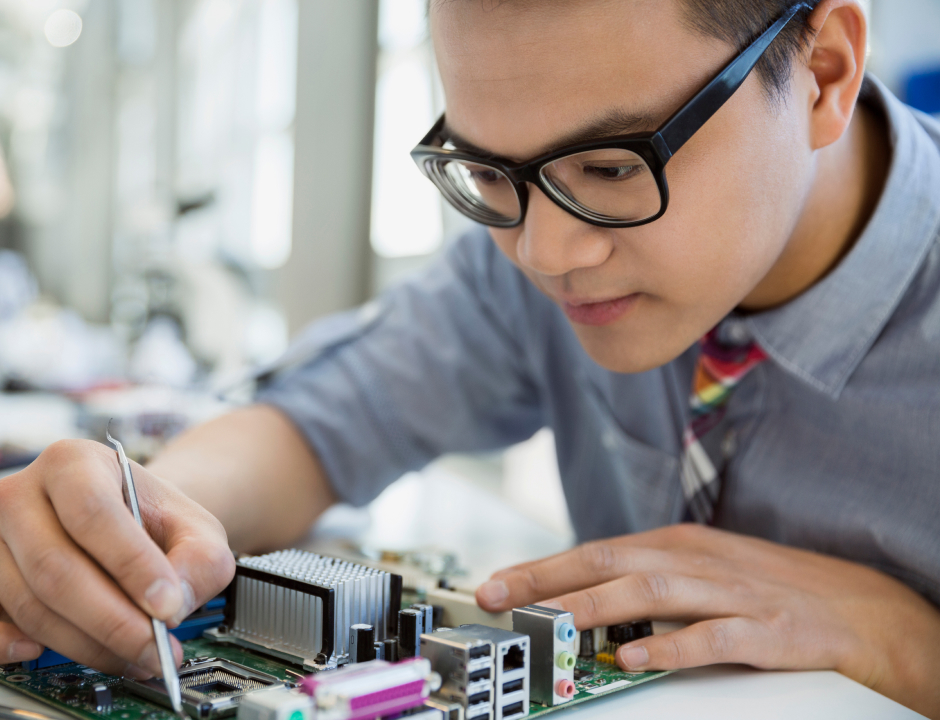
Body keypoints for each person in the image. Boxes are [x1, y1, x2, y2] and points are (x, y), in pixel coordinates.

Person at [1, 0, 938, 715]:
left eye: (611, 169)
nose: (544, 254)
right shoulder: (538, 257)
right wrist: (129, 516)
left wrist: (913, 647)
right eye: (489, 172)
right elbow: (317, 426)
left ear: (822, 72)